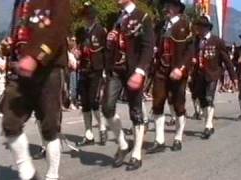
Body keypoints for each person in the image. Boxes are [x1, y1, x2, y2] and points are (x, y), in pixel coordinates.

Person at [0, 0, 71, 179]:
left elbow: (58, 29)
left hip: (49, 69)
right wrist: (10, 45)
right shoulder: (19, 3)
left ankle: (52, 175)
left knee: (49, 128)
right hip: (22, 70)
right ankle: (27, 173)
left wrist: (37, 56)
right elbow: (23, 32)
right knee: (10, 122)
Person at [102, 0, 154, 170]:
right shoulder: (117, 19)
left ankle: (137, 153)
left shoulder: (143, 17)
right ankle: (123, 144)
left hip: (133, 70)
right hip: (116, 70)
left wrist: (140, 71)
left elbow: (148, 47)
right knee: (107, 108)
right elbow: (113, 46)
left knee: (136, 111)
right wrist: (109, 42)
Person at [146, 0, 194, 153]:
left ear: (178, 8)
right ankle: (159, 140)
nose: (166, 8)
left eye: (170, 6)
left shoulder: (186, 25)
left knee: (179, 105)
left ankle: (178, 137)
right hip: (161, 70)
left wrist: (181, 68)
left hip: (178, 71)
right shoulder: (160, 25)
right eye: (166, 5)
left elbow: (190, 50)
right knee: (157, 102)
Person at [191, 15, 237, 139]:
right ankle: (208, 123)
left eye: (200, 27)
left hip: (213, 74)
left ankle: (208, 124)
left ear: (206, 28)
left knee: (209, 97)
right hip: (199, 74)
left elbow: (227, 60)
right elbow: (191, 54)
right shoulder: (196, 41)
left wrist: (233, 77)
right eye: (198, 27)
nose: (198, 30)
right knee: (202, 101)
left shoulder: (217, 41)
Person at [75, 2, 108, 147]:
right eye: (86, 16)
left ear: (94, 17)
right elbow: (79, 48)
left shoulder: (101, 31)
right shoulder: (81, 32)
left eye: (90, 16)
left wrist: (106, 71)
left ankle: (102, 128)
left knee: (94, 101)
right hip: (83, 70)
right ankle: (88, 134)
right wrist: (77, 53)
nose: (88, 19)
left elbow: (106, 52)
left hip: (96, 70)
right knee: (85, 104)